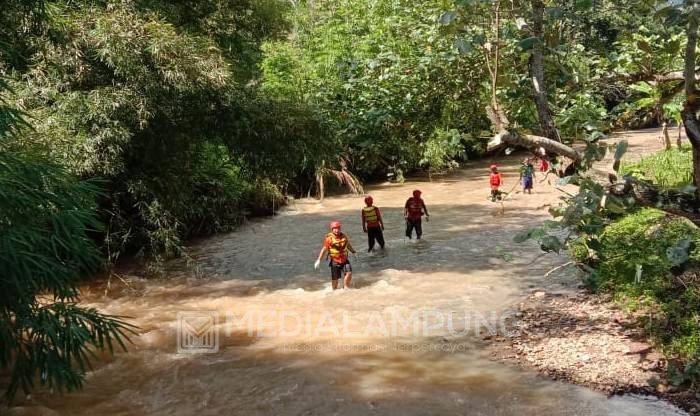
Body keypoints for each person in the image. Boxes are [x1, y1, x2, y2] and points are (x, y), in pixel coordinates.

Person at [314, 221, 357, 290]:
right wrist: (318, 260)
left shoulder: (344, 236)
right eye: (334, 228)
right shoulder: (329, 239)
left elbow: (348, 245)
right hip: (335, 261)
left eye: (338, 228)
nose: (336, 230)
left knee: (349, 273)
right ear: (332, 229)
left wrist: (353, 252)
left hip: (344, 259)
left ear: (340, 229)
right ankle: (334, 291)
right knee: (335, 280)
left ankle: (346, 288)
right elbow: (324, 250)